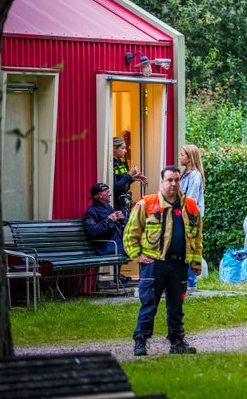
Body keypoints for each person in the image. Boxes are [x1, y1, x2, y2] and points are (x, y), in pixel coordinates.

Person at [124, 166, 203, 357]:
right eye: (169, 180)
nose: (174, 184)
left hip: (179, 264)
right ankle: (141, 341)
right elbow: (130, 233)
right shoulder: (147, 204)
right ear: (162, 182)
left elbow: (197, 237)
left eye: (177, 180)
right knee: (149, 303)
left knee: (177, 305)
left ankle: (177, 342)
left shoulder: (191, 206)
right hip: (154, 264)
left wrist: (196, 262)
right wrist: (137, 255)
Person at [179, 144, 205, 288]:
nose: (180, 157)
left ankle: (190, 282)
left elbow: (191, 199)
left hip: (190, 216)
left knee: (190, 247)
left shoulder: (194, 176)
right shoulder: (184, 174)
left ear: (190, 158)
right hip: (183, 215)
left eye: (182, 154)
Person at [83, 182, 125, 256]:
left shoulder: (109, 209)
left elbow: (126, 226)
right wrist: (109, 220)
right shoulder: (91, 212)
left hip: (118, 246)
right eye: (107, 192)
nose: (110, 194)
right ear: (100, 195)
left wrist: (123, 219)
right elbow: (93, 231)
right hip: (107, 248)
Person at [113, 136, 147, 211]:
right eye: (123, 148)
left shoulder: (121, 163)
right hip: (115, 204)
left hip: (123, 202)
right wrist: (129, 175)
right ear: (114, 148)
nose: (125, 151)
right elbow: (116, 187)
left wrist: (132, 179)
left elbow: (122, 182)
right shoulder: (111, 164)